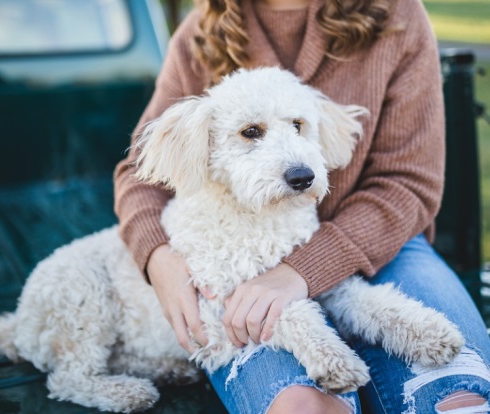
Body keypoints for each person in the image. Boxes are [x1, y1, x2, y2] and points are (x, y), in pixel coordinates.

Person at [113, 0, 490, 412]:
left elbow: (409, 183)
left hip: (383, 243)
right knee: (303, 405)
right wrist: (158, 257)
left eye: (296, 126)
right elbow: (139, 173)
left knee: (456, 394)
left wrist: (301, 270)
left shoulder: (397, 13)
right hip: (238, 258)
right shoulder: (203, 29)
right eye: (251, 131)